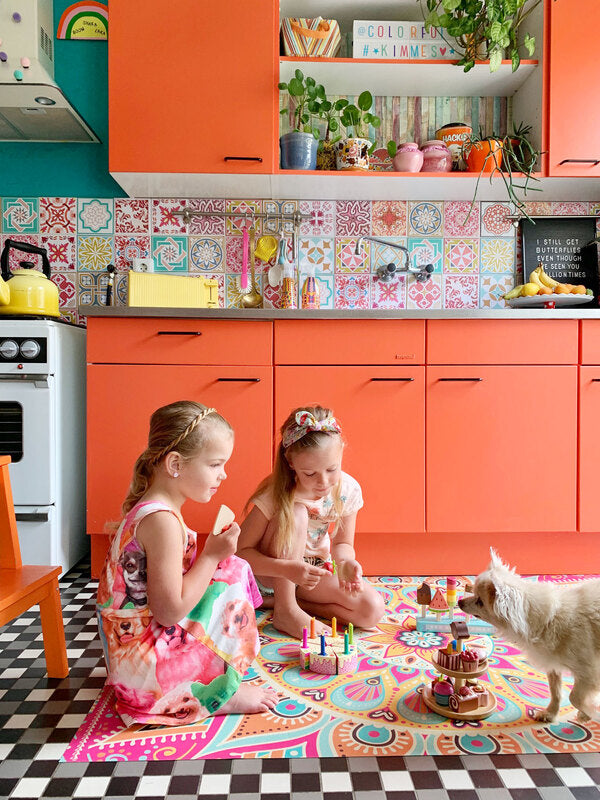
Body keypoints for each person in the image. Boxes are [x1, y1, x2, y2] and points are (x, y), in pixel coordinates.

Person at [96, 400, 277, 726]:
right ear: (175, 464)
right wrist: (210, 556)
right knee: (232, 571)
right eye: (215, 464)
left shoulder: (154, 508)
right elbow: (169, 612)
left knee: (227, 568)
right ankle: (217, 692)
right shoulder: (162, 521)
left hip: (132, 660)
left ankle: (214, 677)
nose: (224, 474)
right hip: (147, 674)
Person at [237, 405, 385, 639]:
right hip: (272, 575)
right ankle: (285, 608)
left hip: (311, 572)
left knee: (372, 610)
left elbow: (342, 544)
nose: (323, 482)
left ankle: (281, 605)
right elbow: (240, 554)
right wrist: (286, 568)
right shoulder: (275, 493)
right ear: (291, 462)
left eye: (332, 469)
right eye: (310, 474)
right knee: (296, 512)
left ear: (341, 454)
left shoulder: (347, 489)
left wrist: (346, 563)